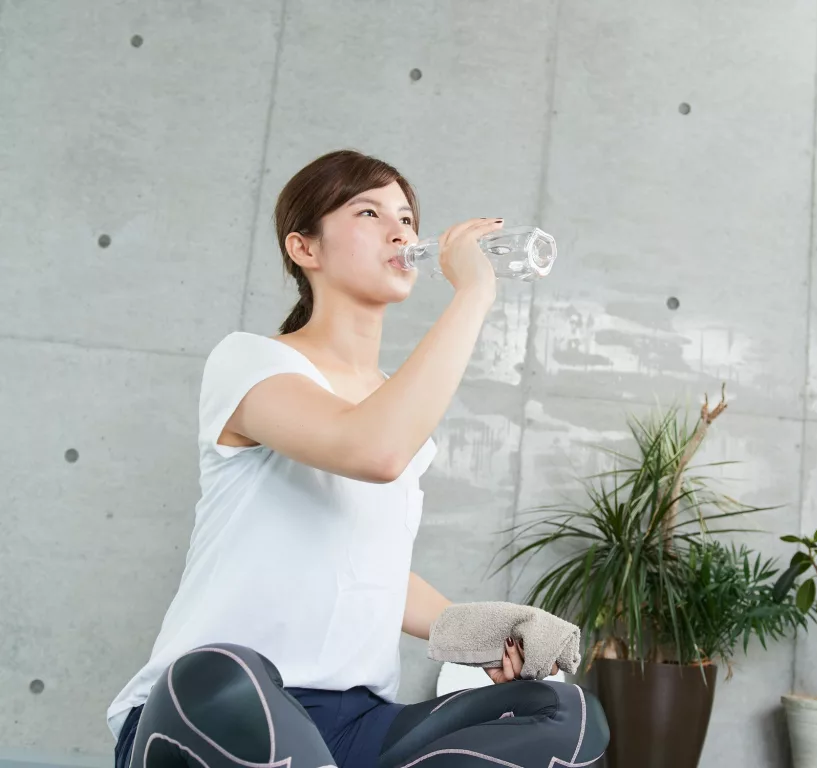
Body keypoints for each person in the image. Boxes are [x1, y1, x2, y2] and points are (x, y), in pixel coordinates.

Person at [106, 150, 609, 768]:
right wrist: (474, 294)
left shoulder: (397, 408)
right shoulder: (251, 362)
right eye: (368, 212)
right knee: (218, 676)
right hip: (221, 712)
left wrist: (481, 629)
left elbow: (371, 571)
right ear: (304, 249)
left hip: (353, 726)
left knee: (562, 713)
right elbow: (374, 450)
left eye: (405, 216)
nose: (401, 231)